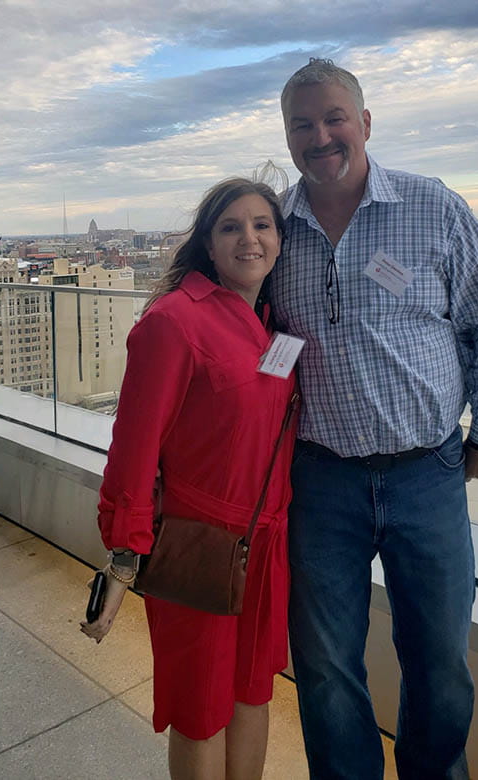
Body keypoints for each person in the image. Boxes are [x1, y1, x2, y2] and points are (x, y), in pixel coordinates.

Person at [271, 59, 478, 779]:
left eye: (334, 119)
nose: (320, 136)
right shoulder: (274, 231)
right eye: (302, 124)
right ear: (287, 136)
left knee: (441, 663)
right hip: (320, 482)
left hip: (428, 475)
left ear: (365, 124)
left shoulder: (430, 206)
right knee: (323, 669)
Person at [80, 177, 298, 780]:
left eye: (263, 225)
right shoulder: (174, 322)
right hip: (201, 542)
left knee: (254, 692)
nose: (249, 238)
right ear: (207, 243)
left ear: (281, 239)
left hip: (269, 542)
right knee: (200, 710)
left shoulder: (278, 324)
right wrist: (124, 557)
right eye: (231, 226)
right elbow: (134, 447)